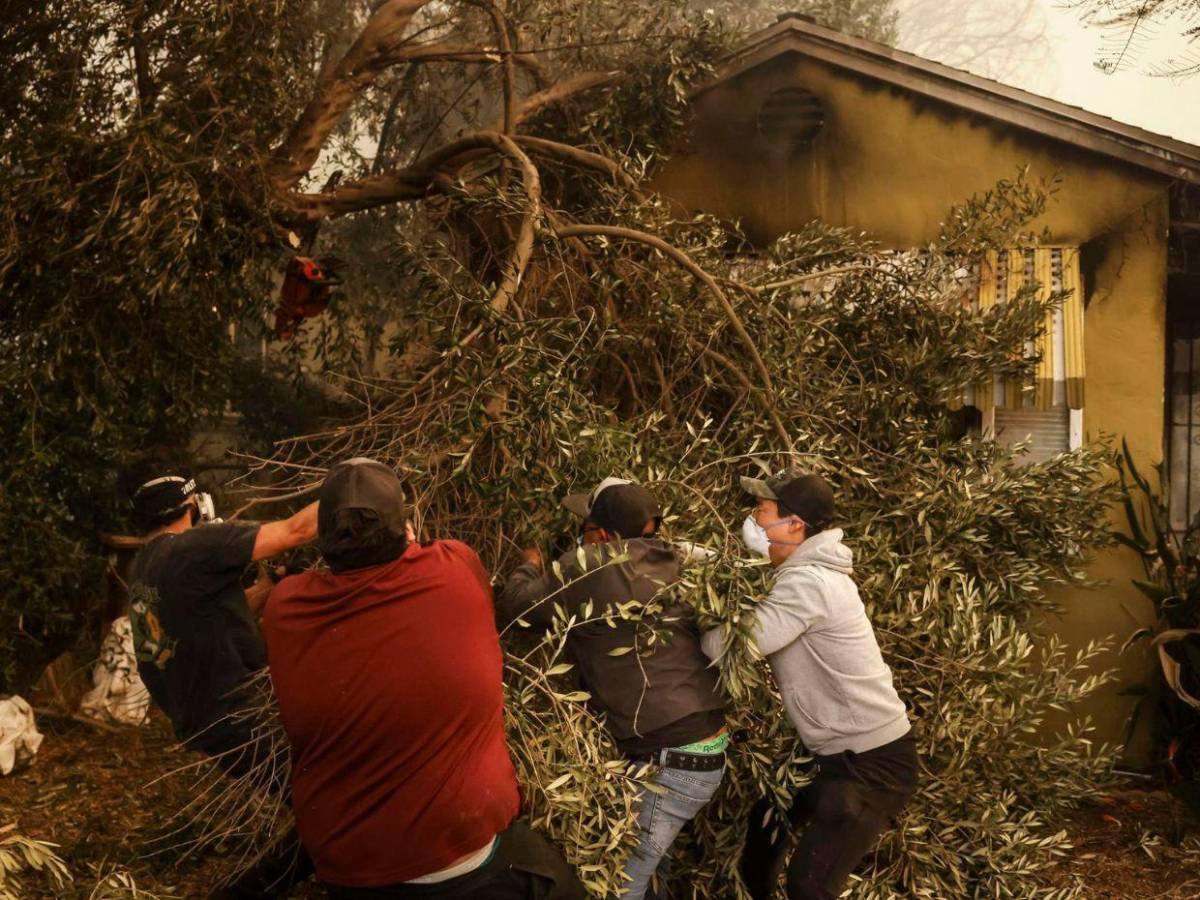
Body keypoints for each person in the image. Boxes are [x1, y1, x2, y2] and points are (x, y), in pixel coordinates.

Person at [263, 457, 586, 900]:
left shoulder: (285, 608)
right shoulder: (457, 568)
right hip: (462, 854)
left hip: (348, 866)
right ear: (408, 529)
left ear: (324, 541)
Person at [499, 476, 729, 900]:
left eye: (584, 530)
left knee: (616, 886)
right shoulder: (675, 559)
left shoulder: (589, 566)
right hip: (702, 744)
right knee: (651, 871)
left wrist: (529, 563)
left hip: (672, 759)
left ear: (602, 536)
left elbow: (521, 609)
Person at [702, 470, 917, 900]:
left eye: (761, 511)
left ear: (794, 524)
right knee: (766, 826)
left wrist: (697, 618)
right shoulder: (804, 573)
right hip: (834, 754)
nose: (754, 521)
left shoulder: (809, 584)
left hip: (870, 765)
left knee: (810, 885)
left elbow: (732, 647)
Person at [124, 467, 320, 899]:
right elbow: (297, 529)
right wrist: (366, 487)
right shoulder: (194, 546)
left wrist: (269, 587)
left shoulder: (146, 566)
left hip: (206, 720)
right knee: (329, 809)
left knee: (316, 805)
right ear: (192, 506)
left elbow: (202, 614)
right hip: (238, 711)